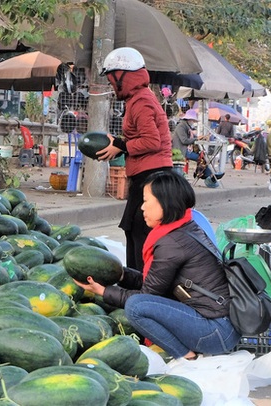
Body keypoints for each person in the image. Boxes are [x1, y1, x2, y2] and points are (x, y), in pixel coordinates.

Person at [74, 171, 241, 360]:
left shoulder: (173, 243)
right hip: (218, 325)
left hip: (215, 331)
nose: (142, 208)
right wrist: (121, 275)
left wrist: (104, 292)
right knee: (138, 303)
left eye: (146, 201)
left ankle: (187, 356)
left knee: (136, 307)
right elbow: (154, 283)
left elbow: (148, 297)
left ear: (165, 202)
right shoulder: (184, 228)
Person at [96, 47, 173, 271]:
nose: (111, 85)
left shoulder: (141, 101)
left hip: (152, 177)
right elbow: (140, 137)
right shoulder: (137, 99)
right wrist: (119, 144)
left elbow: (152, 141)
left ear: (123, 76)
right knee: (134, 230)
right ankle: (138, 285)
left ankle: (142, 288)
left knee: (141, 234)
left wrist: (120, 146)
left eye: (112, 80)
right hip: (146, 175)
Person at [172, 109, 221, 187]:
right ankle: (209, 176)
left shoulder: (187, 126)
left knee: (202, 157)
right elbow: (184, 141)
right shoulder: (181, 126)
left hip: (186, 149)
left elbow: (192, 138)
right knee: (200, 158)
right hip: (180, 151)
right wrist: (197, 139)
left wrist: (201, 137)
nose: (194, 122)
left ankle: (209, 176)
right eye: (193, 120)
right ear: (189, 119)